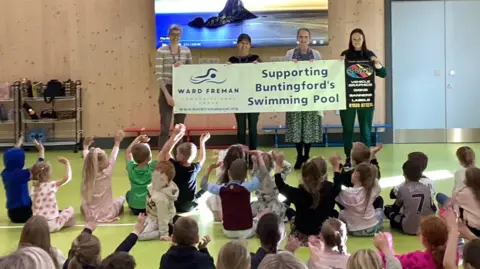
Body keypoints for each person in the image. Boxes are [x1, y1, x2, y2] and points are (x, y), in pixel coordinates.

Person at [340, 28, 387, 167]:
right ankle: (348, 158)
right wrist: (339, 64)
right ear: (350, 40)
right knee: (347, 129)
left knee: (365, 131)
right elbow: (335, 75)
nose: (356, 42)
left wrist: (377, 64)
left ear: (363, 39)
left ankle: (365, 159)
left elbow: (383, 74)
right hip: (348, 98)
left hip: (366, 98)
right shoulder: (345, 54)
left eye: (359, 39)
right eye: (354, 39)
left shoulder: (369, 54)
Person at [274, 157, 342, 245]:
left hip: (301, 234)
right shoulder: (330, 189)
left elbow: (281, 186)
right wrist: (336, 169)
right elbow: (338, 185)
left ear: (303, 176)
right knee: (334, 213)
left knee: (288, 210)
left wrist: (278, 166)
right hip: (324, 233)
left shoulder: (298, 193)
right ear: (325, 174)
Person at [201, 153, 268, 239]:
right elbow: (263, 172)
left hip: (228, 232)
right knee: (262, 214)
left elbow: (203, 184)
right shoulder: (247, 187)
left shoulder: (221, 189)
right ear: (245, 176)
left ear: (229, 173)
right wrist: (259, 157)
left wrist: (209, 169)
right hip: (246, 231)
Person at [284, 28, 323, 170]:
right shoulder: (289, 54)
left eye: (306, 37)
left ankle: (307, 155)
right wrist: (290, 65)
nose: (303, 39)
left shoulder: (316, 54)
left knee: (309, 127)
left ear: (310, 38)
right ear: (297, 38)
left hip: (311, 96)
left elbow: (322, 73)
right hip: (294, 97)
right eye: (301, 36)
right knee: (296, 127)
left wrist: (316, 65)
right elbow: (283, 74)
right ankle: (299, 155)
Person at [155, 24, 192, 149]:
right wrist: (167, 95)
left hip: (182, 90)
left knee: (179, 127)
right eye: (173, 34)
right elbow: (159, 76)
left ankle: (179, 156)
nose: (175, 37)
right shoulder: (161, 51)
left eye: (178, 35)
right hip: (167, 89)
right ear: (169, 35)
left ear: (180, 36)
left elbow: (192, 72)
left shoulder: (186, 51)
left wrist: (183, 64)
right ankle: (162, 157)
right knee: (165, 127)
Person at [63, 214, 146, 269]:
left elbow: (81, 245)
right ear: (96, 258)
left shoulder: (68, 263)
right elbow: (118, 254)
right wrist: (136, 232)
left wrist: (87, 230)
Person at [158, 124, 209, 213]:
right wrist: (202, 142)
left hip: (174, 204)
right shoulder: (194, 168)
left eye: (177, 153)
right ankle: (196, 203)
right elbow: (202, 158)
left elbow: (166, 151)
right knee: (206, 188)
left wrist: (176, 135)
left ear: (179, 155)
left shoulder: (173, 165)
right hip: (188, 206)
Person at [228, 33, 261, 160]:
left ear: (250, 45)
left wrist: (260, 67)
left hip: (253, 98)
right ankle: (240, 157)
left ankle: (253, 158)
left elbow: (265, 74)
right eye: (242, 42)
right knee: (241, 129)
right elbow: (227, 78)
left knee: (253, 129)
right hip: (238, 99)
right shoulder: (232, 60)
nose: (244, 45)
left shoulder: (256, 58)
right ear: (237, 44)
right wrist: (227, 69)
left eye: (247, 43)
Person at [81, 132, 126, 223]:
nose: (108, 160)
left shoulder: (89, 172)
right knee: (121, 199)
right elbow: (113, 156)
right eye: (106, 158)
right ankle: (110, 212)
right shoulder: (107, 172)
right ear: (101, 163)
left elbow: (88, 160)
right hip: (108, 213)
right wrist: (117, 142)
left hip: (92, 214)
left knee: (84, 205)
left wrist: (85, 146)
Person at [384, 159, 436, 235]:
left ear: (404, 175)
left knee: (387, 209)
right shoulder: (427, 188)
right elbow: (433, 207)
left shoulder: (403, 188)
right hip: (426, 227)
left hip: (409, 228)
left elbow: (395, 207)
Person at [2, 137, 44, 223]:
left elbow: (12, 157)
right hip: (24, 212)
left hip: (12, 213)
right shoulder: (21, 174)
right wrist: (41, 150)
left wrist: (19, 143)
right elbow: (38, 167)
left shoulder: (5, 173)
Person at [336, 163, 382, 236]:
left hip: (354, 230)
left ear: (356, 174)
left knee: (342, 213)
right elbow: (376, 183)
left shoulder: (346, 193)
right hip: (372, 228)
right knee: (379, 211)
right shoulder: (371, 190)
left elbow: (335, 192)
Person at [31, 158, 76, 233]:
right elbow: (67, 178)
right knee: (70, 209)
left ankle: (60, 221)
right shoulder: (52, 185)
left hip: (37, 225)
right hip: (52, 224)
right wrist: (67, 163)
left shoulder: (33, 188)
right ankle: (61, 223)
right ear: (49, 175)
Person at [138, 161, 179, 241]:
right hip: (152, 215)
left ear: (168, 181)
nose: (156, 181)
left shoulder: (161, 199)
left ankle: (170, 230)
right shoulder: (155, 186)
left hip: (158, 219)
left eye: (161, 179)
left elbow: (163, 217)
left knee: (139, 236)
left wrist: (164, 234)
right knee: (138, 228)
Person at [125, 134, 156, 215]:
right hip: (149, 207)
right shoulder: (152, 168)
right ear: (149, 157)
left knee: (128, 193)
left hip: (135, 208)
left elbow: (128, 151)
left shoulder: (131, 169)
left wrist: (138, 138)